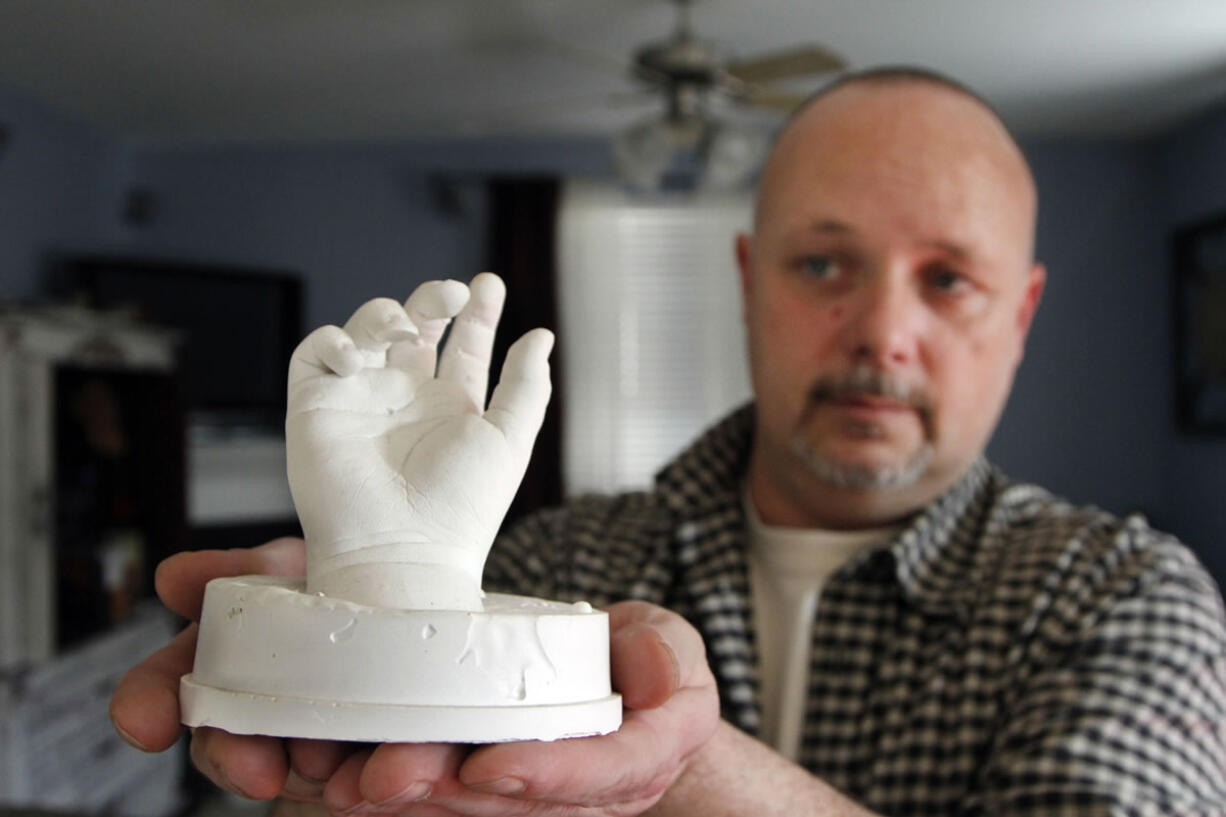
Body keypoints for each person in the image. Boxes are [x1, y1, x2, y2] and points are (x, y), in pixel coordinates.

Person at [110, 67, 1226, 816]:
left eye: (947, 279)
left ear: (1019, 316)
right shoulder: (546, 571)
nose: (883, 334)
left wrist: (680, 766)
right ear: (749, 284)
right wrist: (373, 603)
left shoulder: (1125, 596)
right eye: (823, 264)